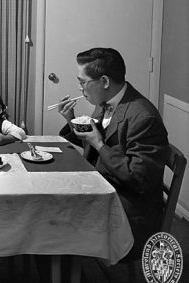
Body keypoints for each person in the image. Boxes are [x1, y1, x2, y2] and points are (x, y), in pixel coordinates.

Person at [57, 47, 169, 261]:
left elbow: (139, 179)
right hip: (103, 187)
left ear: (105, 82)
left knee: (53, 219)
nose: (80, 89)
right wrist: (72, 122)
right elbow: (94, 142)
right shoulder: (106, 102)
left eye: (83, 82)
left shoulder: (144, 117)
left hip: (129, 211)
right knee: (51, 203)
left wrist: (99, 144)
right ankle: (60, 281)